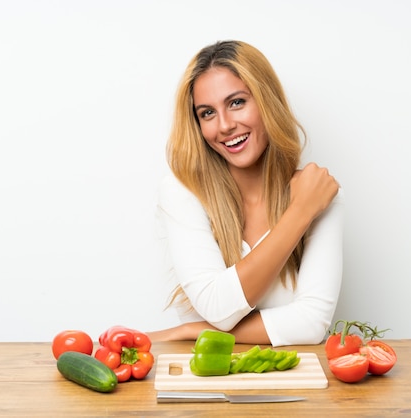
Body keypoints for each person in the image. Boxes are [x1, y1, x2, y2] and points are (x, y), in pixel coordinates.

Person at [147, 40, 343, 347]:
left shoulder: (318, 193)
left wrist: (192, 330)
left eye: (237, 102)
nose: (224, 125)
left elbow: (312, 324)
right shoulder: (182, 193)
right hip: (204, 378)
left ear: (267, 101)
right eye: (207, 113)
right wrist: (300, 212)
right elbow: (218, 309)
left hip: (292, 380)